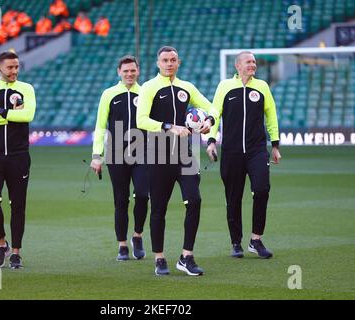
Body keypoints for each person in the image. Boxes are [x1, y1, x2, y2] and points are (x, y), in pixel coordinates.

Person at [137, 46, 217, 276]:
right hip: (159, 155)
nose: (169, 64)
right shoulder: (149, 88)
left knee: (195, 200)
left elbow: (211, 106)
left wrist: (210, 119)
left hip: (185, 156)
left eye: (173, 60)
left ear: (178, 63)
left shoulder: (187, 87)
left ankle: (186, 256)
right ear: (157, 63)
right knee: (159, 209)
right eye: (165, 60)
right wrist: (169, 127)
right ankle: (159, 258)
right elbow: (141, 120)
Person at [206, 51, 281, 259]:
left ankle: (255, 240)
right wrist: (211, 141)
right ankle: (236, 242)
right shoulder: (225, 87)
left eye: (254, 62)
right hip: (231, 152)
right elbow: (214, 113)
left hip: (257, 150)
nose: (253, 65)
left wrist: (275, 144)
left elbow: (271, 115)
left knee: (262, 189)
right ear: (238, 66)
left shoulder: (262, 87)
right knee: (233, 198)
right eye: (249, 62)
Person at [0, 51, 36, 269]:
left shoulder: (26, 88)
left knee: (18, 204)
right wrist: (12, 115)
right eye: (10, 67)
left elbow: (27, 116)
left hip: (19, 156)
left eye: (17, 67)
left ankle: (17, 253)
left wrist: (0, 111)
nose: (14, 71)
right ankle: (2, 244)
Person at [90, 55, 149, 261]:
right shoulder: (109, 94)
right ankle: (122, 245)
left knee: (143, 195)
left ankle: (137, 236)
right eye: (125, 71)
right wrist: (97, 155)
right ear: (119, 72)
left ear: (138, 71)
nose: (129, 74)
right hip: (116, 154)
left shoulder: (145, 92)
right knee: (121, 200)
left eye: (133, 70)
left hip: (143, 153)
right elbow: (100, 126)